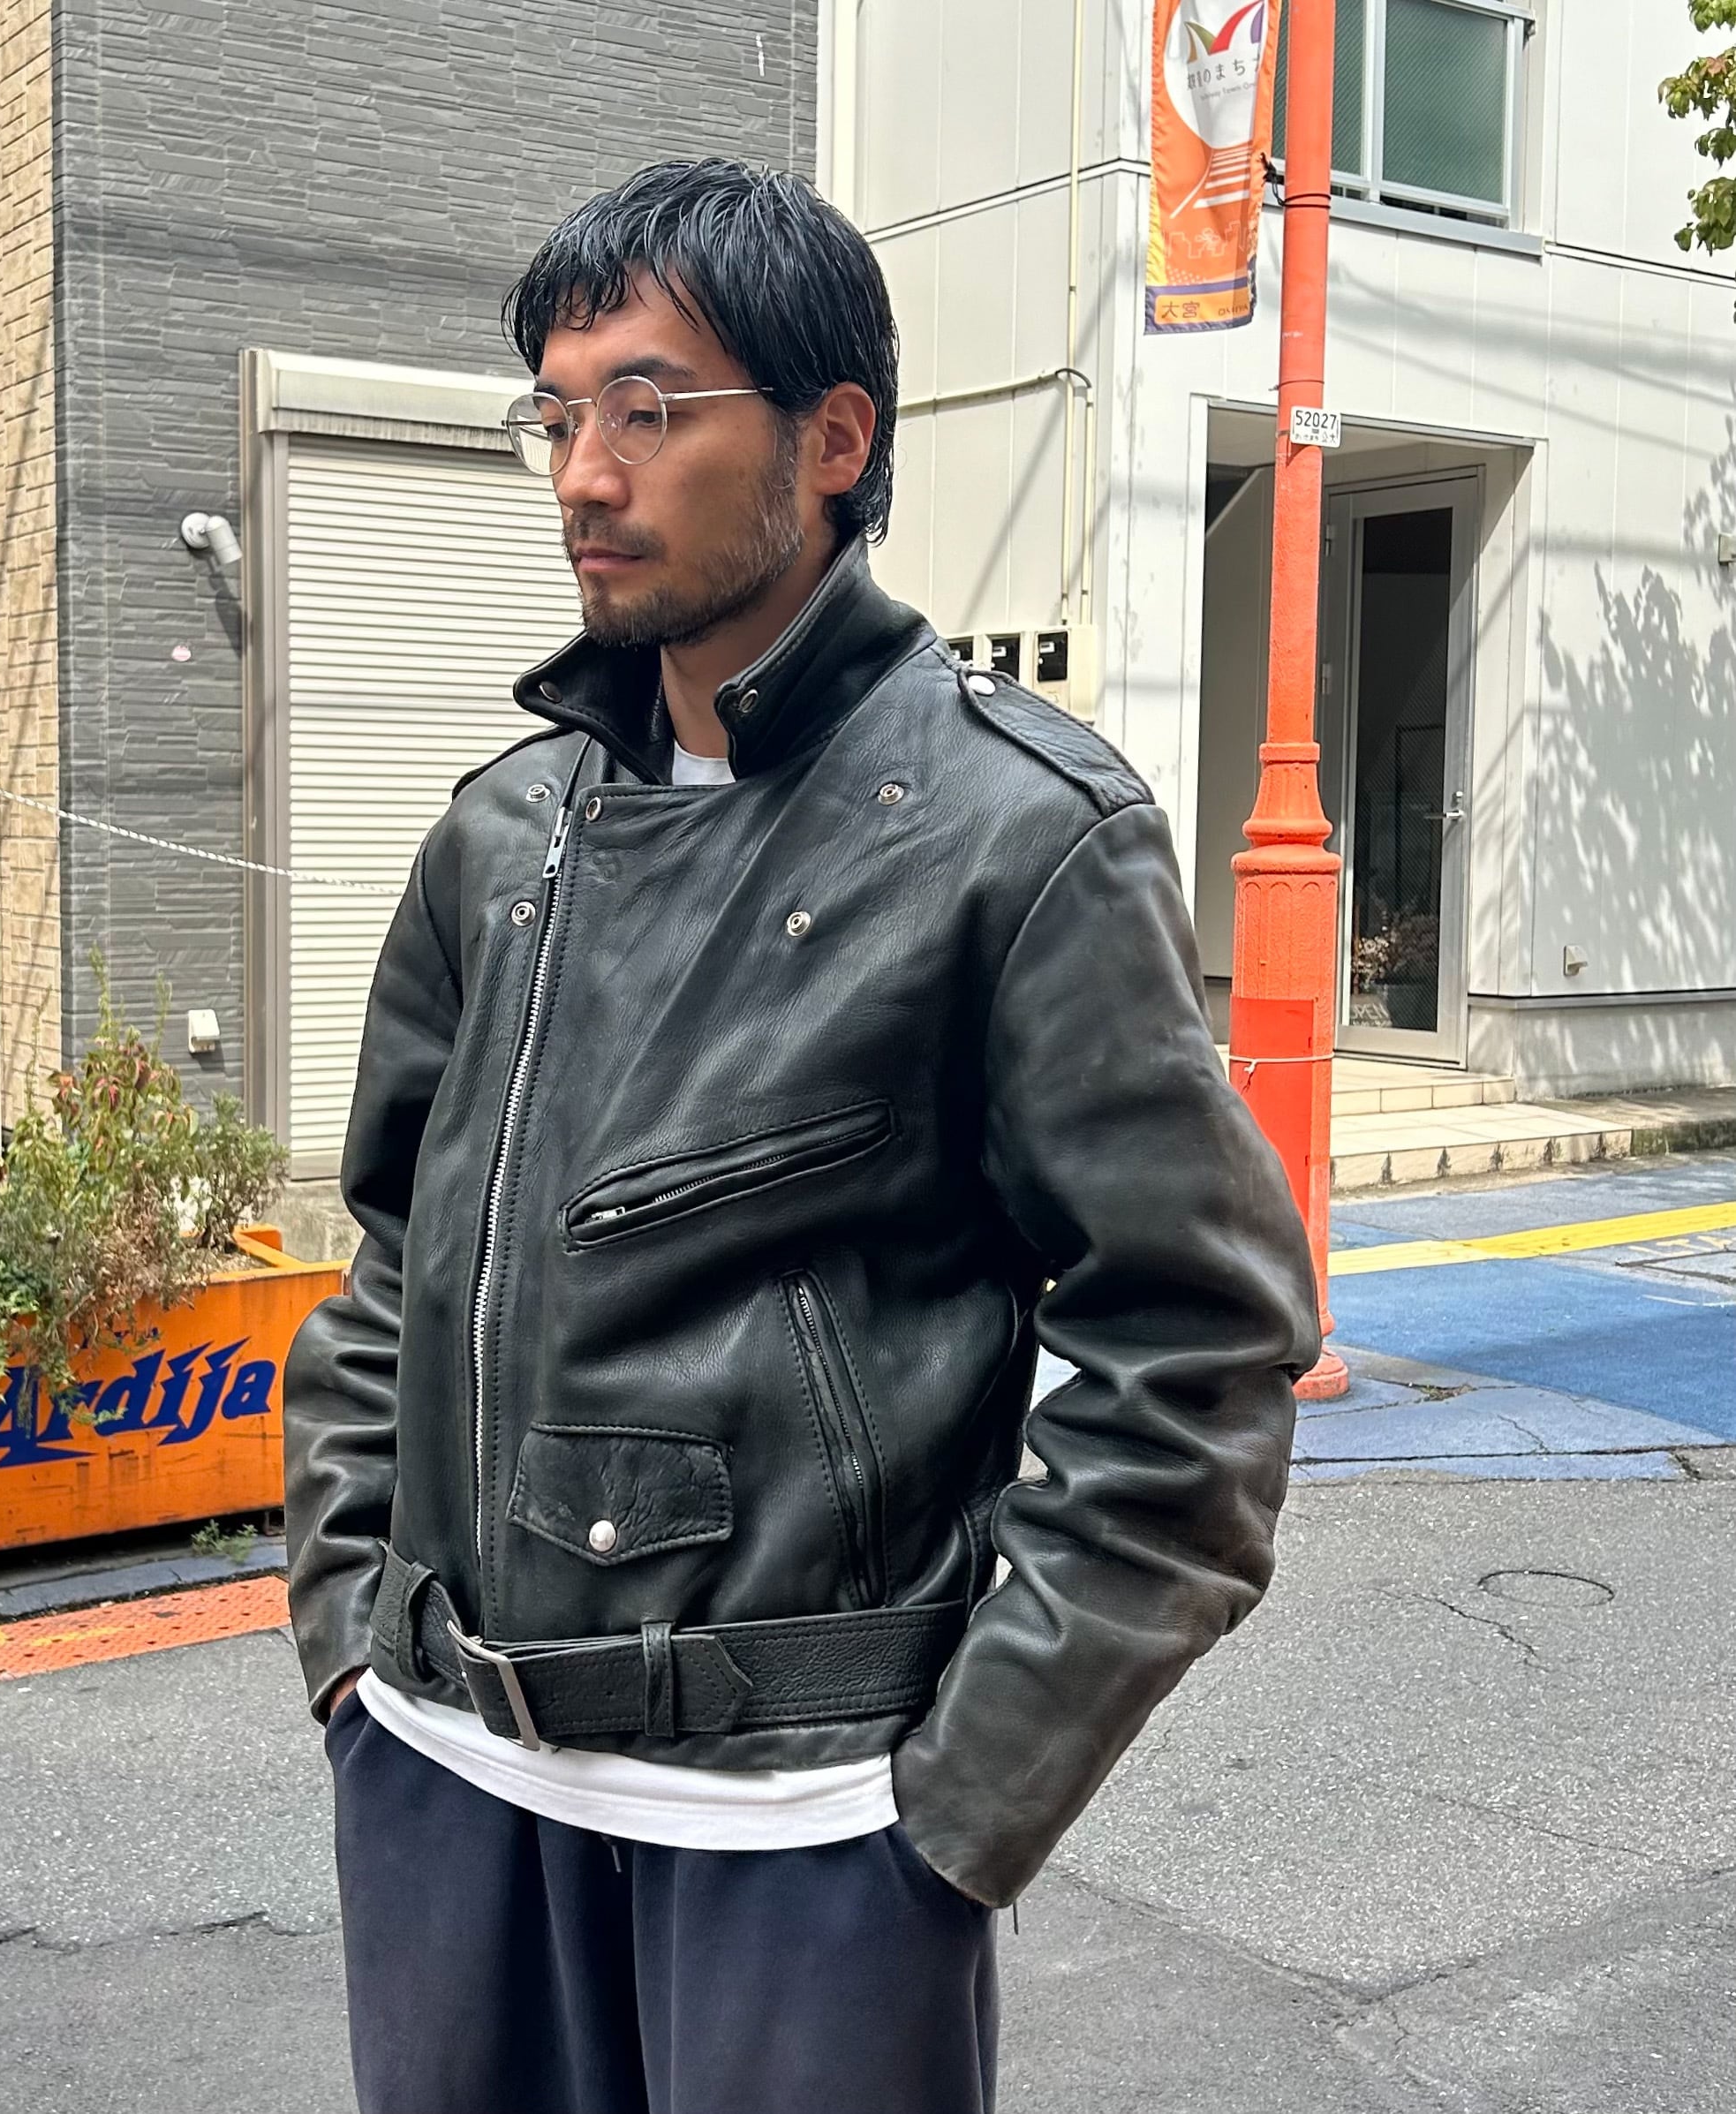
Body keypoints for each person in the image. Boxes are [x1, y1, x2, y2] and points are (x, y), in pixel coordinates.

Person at [283, 156, 1319, 2114]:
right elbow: (391, 1268)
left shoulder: (1017, 836)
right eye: (556, 416)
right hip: (443, 1775)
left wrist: (953, 1809)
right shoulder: (499, 837)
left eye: (648, 408)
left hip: (803, 1827)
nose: (586, 474)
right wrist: (349, 1641)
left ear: (833, 440)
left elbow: (1200, 1350)